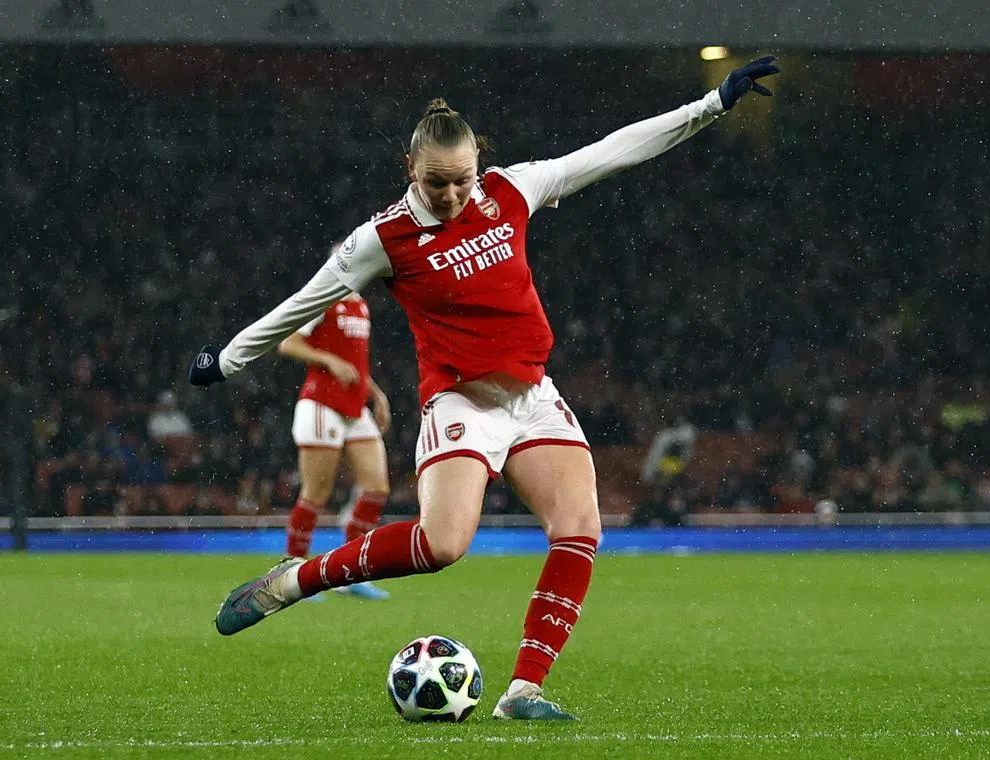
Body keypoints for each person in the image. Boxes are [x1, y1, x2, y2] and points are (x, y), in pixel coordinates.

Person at [188, 56, 780, 720]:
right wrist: (230, 361)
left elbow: (614, 150)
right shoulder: (380, 239)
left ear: (480, 165)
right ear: (410, 169)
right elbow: (300, 305)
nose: (452, 196)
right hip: (462, 400)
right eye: (437, 183)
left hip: (532, 395)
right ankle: (291, 582)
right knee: (443, 544)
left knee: (580, 529)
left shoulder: (510, 189)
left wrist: (712, 105)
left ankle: (523, 690)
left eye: (462, 181)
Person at [277, 283, 393, 600]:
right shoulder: (321, 300)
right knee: (317, 493)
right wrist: (329, 360)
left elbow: (353, 362)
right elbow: (288, 344)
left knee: (377, 488)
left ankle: (351, 572)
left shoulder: (361, 306)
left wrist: (376, 393)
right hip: (321, 404)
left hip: (355, 406)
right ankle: (292, 571)